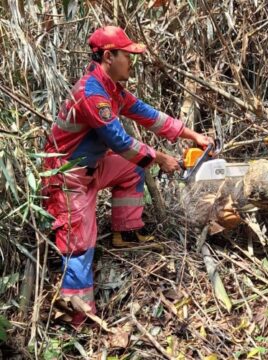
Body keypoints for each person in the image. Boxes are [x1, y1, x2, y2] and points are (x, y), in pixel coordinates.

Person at [42, 26, 213, 326]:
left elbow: (150, 115)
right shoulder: (91, 94)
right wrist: (161, 158)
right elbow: (120, 141)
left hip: (90, 170)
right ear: (109, 56)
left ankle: (127, 231)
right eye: (128, 56)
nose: (132, 62)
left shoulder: (112, 90)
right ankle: (78, 318)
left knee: (133, 168)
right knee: (80, 246)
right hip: (67, 179)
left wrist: (193, 135)